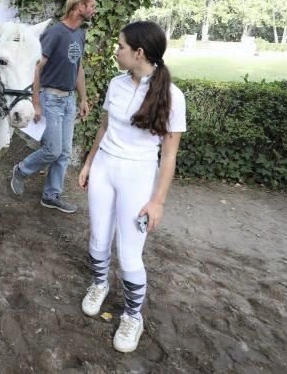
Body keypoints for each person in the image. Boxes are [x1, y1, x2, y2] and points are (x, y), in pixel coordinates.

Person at [77, 21, 186, 353]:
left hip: (138, 177)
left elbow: (168, 157)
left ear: (139, 53)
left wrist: (158, 201)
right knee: (97, 238)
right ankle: (98, 284)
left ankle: (133, 316)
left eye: (121, 47)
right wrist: (89, 162)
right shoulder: (116, 84)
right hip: (105, 169)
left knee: (128, 254)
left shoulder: (172, 96)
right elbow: (105, 126)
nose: (116, 51)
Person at [10, 0, 96, 213]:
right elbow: (37, 68)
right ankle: (20, 170)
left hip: (68, 101)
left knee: (65, 152)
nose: (94, 10)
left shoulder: (80, 33)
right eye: (92, 6)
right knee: (53, 149)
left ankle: (51, 195)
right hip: (50, 99)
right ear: (80, 7)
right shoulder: (56, 32)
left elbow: (78, 68)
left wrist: (83, 99)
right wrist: (36, 102)